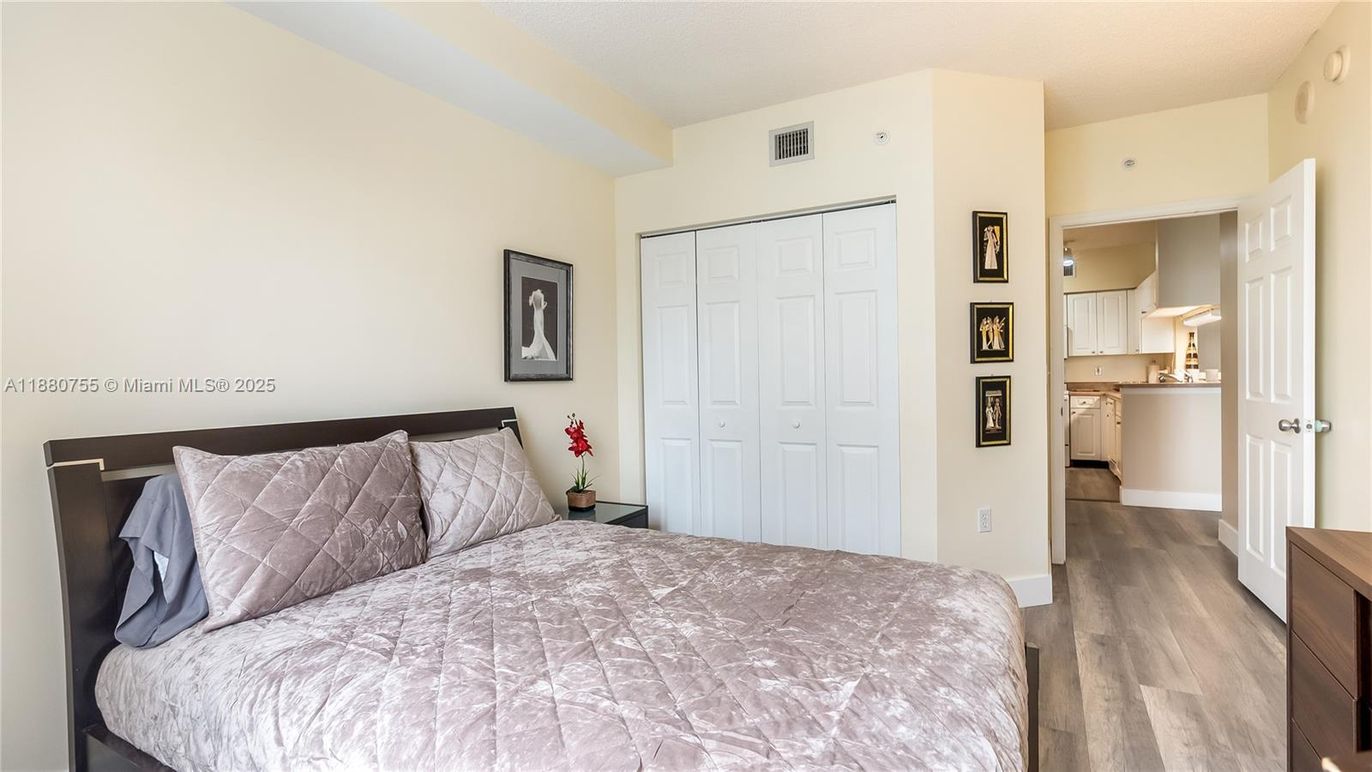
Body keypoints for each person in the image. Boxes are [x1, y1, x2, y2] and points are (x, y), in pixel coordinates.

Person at [521, 288, 556, 361]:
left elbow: (530, 304)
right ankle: (538, 348)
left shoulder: (534, 293)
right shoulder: (541, 295)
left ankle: (537, 348)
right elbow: (541, 307)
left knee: (537, 330)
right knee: (540, 330)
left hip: (536, 313)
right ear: (541, 291)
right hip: (541, 314)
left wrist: (530, 298)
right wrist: (545, 304)